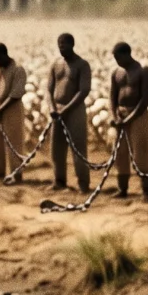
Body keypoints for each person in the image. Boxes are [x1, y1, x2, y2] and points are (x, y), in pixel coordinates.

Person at [47, 33, 93, 194]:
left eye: (64, 44)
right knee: (56, 148)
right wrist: (52, 108)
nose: (61, 47)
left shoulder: (82, 65)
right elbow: (49, 89)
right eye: (59, 44)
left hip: (75, 110)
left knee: (78, 148)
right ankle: (59, 181)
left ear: (72, 45)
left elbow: (84, 90)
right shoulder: (56, 64)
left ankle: (83, 183)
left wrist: (66, 109)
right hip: (57, 111)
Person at [110, 43, 148, 202]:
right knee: (120, 153)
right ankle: (122, 189)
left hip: (138, 115)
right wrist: (115, 116)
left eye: (118, 57)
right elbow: (112, 97)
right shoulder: (117, 72)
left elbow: (146, 98)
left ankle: (147, 190)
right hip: (120, 114)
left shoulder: (142, 70)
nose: (116, 61)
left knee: (140, 153)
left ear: (126, 54)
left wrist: (129, 118)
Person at [0, 43, 29, 184]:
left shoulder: (18, 70)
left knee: (14, 142)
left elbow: (15, 95)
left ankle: (16, 175)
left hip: (12, 109)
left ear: (5, 54)